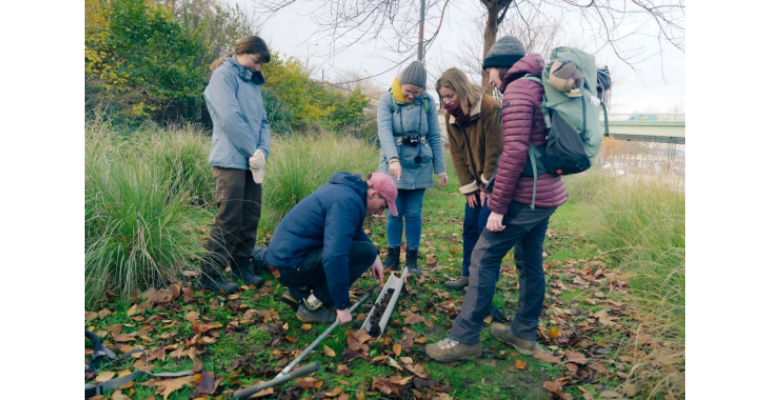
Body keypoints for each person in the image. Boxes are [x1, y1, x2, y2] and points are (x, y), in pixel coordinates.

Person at [426, 36, 568, 361]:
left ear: (500, 67)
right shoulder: (540, 85)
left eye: (489, 71)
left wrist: (497, 205)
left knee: (483, 258)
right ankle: (522, 333)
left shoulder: (517, 90)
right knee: (530, 263)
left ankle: (465, 338)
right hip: (546, 196)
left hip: (524, 196)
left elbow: (513, 152)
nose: (489, 79)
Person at [257, 172, 396, 324]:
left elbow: (351, 230)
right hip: (288, 268)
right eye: (383, 206)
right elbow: (334, 257)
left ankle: (298, 290)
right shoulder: (347, 202)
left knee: (365, 250)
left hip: (283, 261)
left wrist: (375, 256)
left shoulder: (347, 192)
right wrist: (341, 306)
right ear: (374, 194)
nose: (380, 213)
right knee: (362, 253)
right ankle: (312, 307)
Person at [198, 35, 272, 294]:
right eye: (255, 61)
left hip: (253, 161)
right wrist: (253, 151)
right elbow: (229, 118)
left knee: (251, 214)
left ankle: (241, 264)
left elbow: (263, 122)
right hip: (230, 159)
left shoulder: (253, 84)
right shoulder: (223, 77)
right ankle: (209, 273)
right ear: (242, 53)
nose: (257, 68)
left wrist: (262, 151)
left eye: (261, 64)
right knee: (229, 217)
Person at [377, 60, 448, 276]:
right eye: (408, 91)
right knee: (394, 212)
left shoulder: (427, 102)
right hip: (394, 165)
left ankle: (412, 260)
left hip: (420, 164)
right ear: (401, 84)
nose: (411, 96)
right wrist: (393, 159)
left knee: (415, 213)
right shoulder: (387, 99)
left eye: (416, 92)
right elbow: (385, 132)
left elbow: (435, 136)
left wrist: (441, 169)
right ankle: (392, 256)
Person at [436, 68, 504, 291]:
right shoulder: (450, 116)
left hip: (494, 181)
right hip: (475, 183)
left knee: (486, 231)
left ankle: (483, 283)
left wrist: (485, 185)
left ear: (461, 89)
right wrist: (470, 188)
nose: (446, 101)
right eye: (443, 97)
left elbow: (495, 150)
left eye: (450, 96)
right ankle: (467, 276)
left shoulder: (489, 107)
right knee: (469, 228)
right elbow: (457, 154)